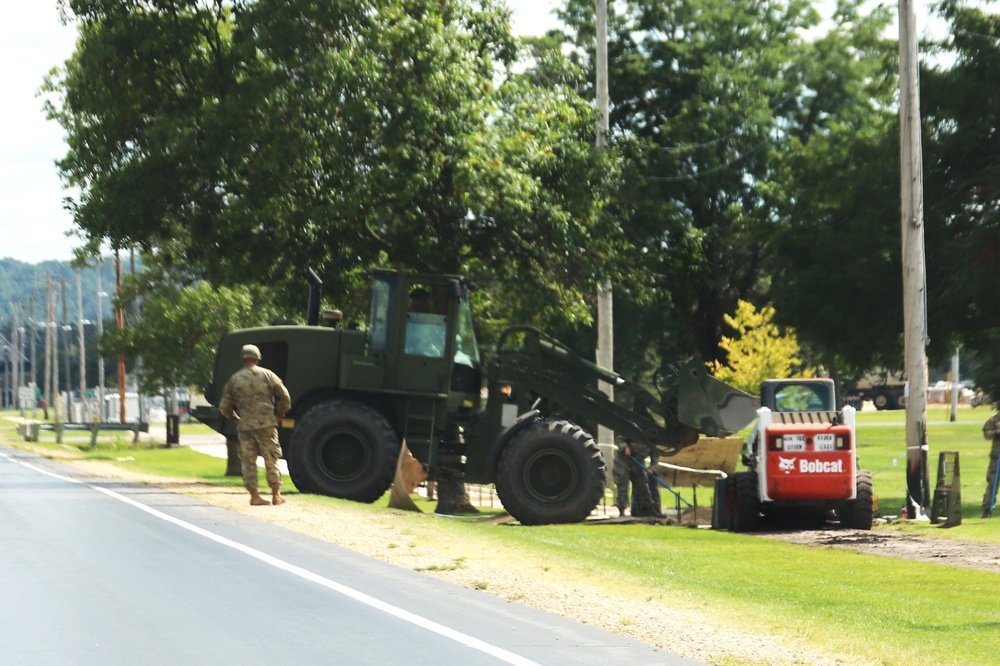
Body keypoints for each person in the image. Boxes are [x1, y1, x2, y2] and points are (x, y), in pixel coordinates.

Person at [220, 344, 291, 506]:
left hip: (245, 427)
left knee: (248, 461)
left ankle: (254, 496)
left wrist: (236, 418)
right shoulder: (268, 375)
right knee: (271, 458)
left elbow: (224, 406)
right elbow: (285, 397)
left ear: (242, 359)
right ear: (257, 358)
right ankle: (276, 495)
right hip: (267, 425)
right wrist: (279, 415)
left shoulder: (235, 379)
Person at [614, 434, 658, 517]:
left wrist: (652, 468)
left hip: (638, 463)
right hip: (623, 461)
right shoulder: (635, 430)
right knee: (623, 486)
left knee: (643, 486)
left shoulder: (653, 441)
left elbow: (655, 458)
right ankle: (622, 511)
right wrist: (625, 447)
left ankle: (650, 509)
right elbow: (619, 439)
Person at [982, 412, 1000, 518]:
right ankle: (987, 508)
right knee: (992, 483)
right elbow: (986, 433)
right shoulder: (995, 418)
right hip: (996, 457)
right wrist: (997, 432)